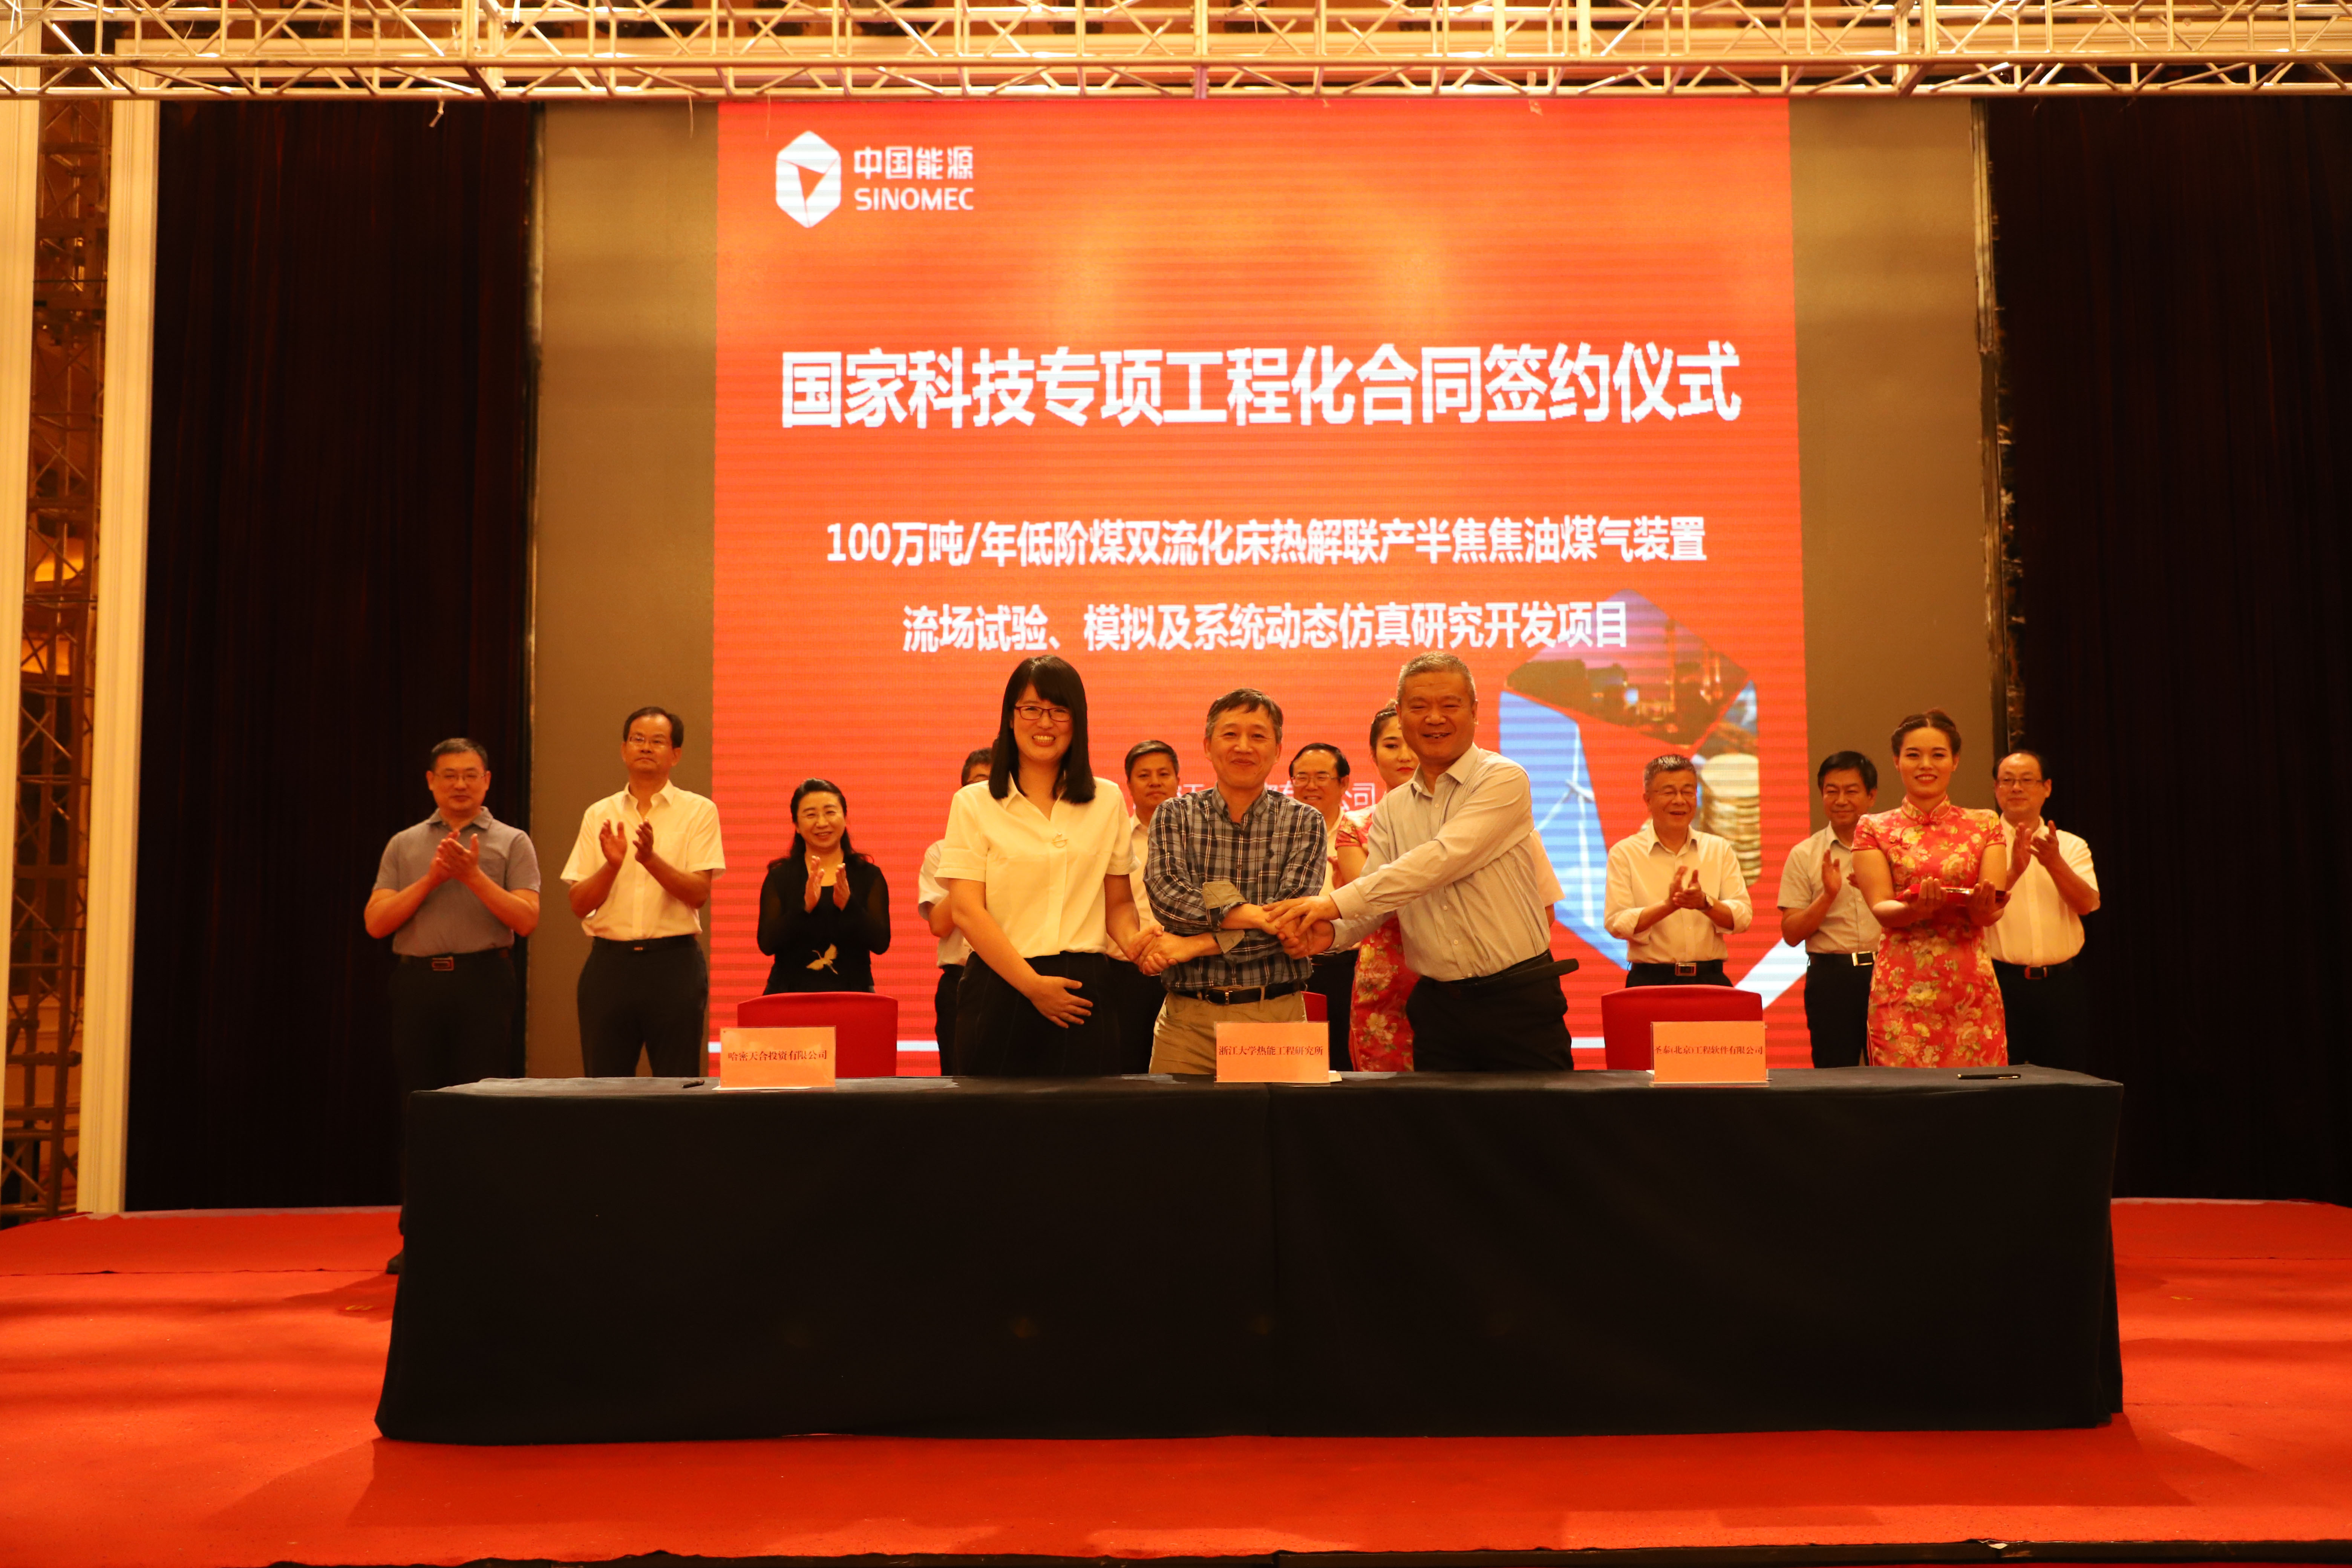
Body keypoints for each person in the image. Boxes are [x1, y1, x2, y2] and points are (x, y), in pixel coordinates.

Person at [1270, 653, 1575, 1073]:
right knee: (1440, 1117)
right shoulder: (1393, 807)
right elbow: (1380, 901)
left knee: (1536, 1115)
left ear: (1474, 711)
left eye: (1450, 705)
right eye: (1419, 706)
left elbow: (1442, 860)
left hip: (1518, 998)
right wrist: (1330, 934)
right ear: (1400, 714)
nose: (1434, 718)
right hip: (1438, 1007)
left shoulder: (1503, 778)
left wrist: (1331, 904)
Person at [365, 738, 541, 1274]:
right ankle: (420, 1236)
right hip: (419, 984)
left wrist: (471, 876)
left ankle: (480, 1235)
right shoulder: (404, 844)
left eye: (470, 774)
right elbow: (377, 922)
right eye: (449, 775)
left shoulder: (512, 841)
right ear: (431, 781)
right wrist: (434, 878)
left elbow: (526, 919)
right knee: (419, 1110)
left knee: (480, 1111)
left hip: (483, 982)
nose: (460, 784)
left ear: (487, 780)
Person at [938, 656, 1151, 1076]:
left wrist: (1138, 945)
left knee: (1085, 1115)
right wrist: (1032, 986)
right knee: (993, 1115)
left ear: (1078, 721)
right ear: (1010, 717)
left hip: (1083, 989)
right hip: (999, 984)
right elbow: (966, 910)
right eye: (1032, 709)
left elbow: (1119, 905)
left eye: (1059, 711)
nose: (1045, 723)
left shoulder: (1106, 799)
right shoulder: (973, 803)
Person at [1133, 691, 1328, 1076]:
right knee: (1173, 1118)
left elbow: (1289, 923)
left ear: (1278, 750)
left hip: (1276, 1016)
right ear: (1208, 746)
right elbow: (1169, 899)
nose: (1243, 746)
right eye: (1230, 734)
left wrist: (1192, 945)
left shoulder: (1305, 821)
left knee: (1283, 1121)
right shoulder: (1174, 814)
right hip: (1187, 1024)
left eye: (1258, 735)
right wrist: (1253, 914)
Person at [560, 706, 727, 1077]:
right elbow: (579, 904)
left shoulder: (699, 811)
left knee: (677, 1084)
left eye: (657, 741)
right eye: (638, 739)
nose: (646, 747)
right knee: (604, 1088)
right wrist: (611, 865)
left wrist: (651, 860)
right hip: (609, 966)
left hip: (673, 966)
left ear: (676, 754)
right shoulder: (599, 814)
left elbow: (698, 893)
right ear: (624, 749)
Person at [1849, 709, 2010, 1066]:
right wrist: (1915, 910)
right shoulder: (1873, 827)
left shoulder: (1984, 823)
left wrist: (1984, 907)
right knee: (1905, 1097)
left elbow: (1990, 912)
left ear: (1955, 761)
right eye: (1913, 755)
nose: (1926, 765)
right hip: (1902, 988)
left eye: (1938, 755)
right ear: (1897, 761)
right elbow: (1881, 908)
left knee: (1978, 1094)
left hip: (1970, 988)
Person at [1984, 748, 2101, 1072]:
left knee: (2066, 1082)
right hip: (2000, 983)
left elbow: (2087, 905)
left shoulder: (2071, 845)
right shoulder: (1981, 844)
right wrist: (2013, 871)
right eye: (2007, 781)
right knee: (1999, 1081)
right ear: (1996, 788)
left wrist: (2054, 862)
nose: (2016, 788)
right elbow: (1974, 912)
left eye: (2027, 780)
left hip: (2061, 985)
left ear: (2047, 788)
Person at [1603, 755, 1754, 985]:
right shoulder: (1625, 853)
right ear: (1648, 800)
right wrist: (1669, 906)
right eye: (1669, 792)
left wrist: (1705, 904)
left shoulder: (1718, 849)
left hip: (1709, 979)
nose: (1680, 800)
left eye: (1688, 792)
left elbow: (1742, 917)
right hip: (1651, 981)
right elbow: (1617, 923)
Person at [1777, 751, 1886, 1066]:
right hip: (1831, 979)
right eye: (1831, 791)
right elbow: (1791, 934)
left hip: (1887, 973)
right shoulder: (1804, 854)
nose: (1841, 801)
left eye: (1851, 791)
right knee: (1835, 1075)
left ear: (1871, 796)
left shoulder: (1892, 848)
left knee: (1896, 1073)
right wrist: (1828, 896)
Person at [1340, 704, 1420, 1071]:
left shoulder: (1458, 821)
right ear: (1373, 754)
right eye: (1391, 745)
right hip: (1384, 974)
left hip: (1450, 970)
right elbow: (1367, 900)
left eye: (1412, 744)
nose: (1405, 755)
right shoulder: (1355, 825)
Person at [758, 778, 891, 993]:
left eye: (830, 812)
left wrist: (849, 906)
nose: (822, 823)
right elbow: (767, 944)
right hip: (789, 996)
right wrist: (804, 908)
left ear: (845, 818)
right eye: (811, 815)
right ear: (797, 826)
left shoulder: (867, 875)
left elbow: (881, 943)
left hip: (853, 996)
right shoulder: (781, 877)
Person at [1102, 740, 1184, 1072]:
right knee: (1127, 1067)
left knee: (1182, 1069)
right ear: (1129, 784)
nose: (1155, 782)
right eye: (1144, 775)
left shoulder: (1198, 839)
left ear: (1178, 780)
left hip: (1185, 965)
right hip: (1124, 970)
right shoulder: (1113, 837)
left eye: (1164, 774)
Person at [917, 747, 994, 1072]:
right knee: (957, 1079)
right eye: (978, 783)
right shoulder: (941, 852)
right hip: (959, 982)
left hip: (1014, 979)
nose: (986, 792)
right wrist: (976, 861)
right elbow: (939, 924)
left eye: (995, 784)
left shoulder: (1030, 850)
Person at [1287, 740, 1360, 1069]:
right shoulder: (1278, 835)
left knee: (1346, 1066)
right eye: (1302, 778)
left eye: (1321, 777)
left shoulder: (1361, 833)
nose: (1310, 786)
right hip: (1290, 968)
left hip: (1348, 967)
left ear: (1344, 783)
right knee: (1296, 1070)